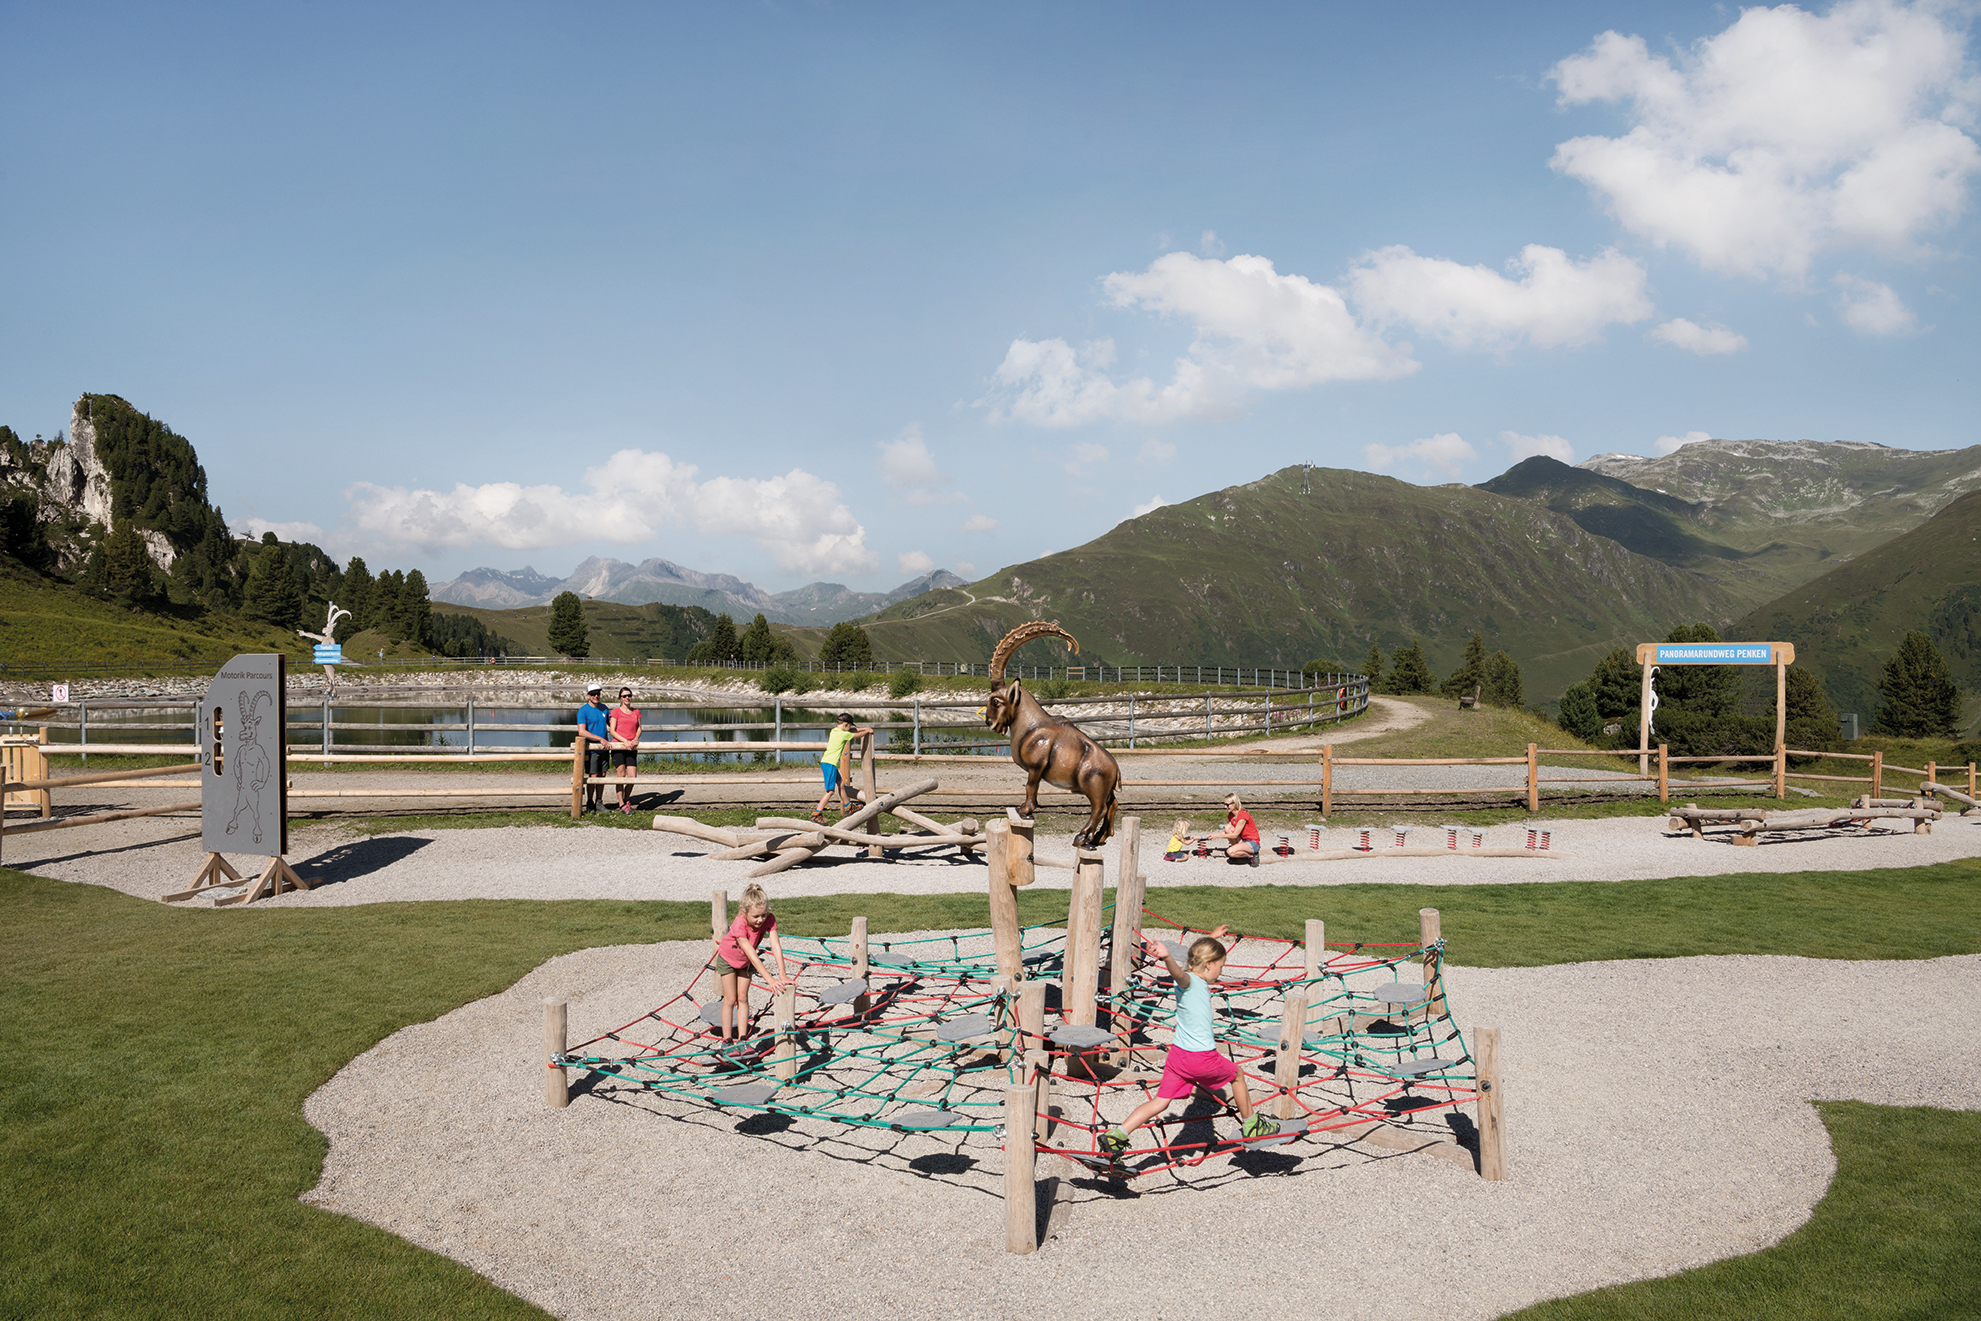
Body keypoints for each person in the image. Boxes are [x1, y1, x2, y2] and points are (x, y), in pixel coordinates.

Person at [1101, 926, 1278, 1155]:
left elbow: (1189, 962)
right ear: (1208, 965)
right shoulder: (1189, 982)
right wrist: (1166, 958)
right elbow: (1179, 973)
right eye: (1220, 967)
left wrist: (1211, 939)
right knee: (1237, 1075)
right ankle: (1252, 1125)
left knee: (1160, 1102)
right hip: (1200, 1057)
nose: (1221, 972)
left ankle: (1117, 1135)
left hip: (1178, 1057)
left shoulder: (1191, 973)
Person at [710, 883, 796, 1042]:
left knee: (742, 997)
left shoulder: (769, 919)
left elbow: (776, 946)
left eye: (763, 915)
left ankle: (743, 1039)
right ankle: (727, 1040)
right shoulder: (739, 923)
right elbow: (752, 954)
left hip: (745, 962)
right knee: (730, 998)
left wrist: (782, 973)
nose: (760, 920)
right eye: (756, 916)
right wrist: (770, 980)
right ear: (744, 912)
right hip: (728, 959)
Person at [812, 712, 873, 823]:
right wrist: (867, 731)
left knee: (841, 785)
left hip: (827, 762)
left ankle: (849, 807)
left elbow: (852, 731)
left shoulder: (835, 731)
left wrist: (865, 728)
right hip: (830, 764)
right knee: (830, 791)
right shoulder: (844, 734)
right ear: (845, 724)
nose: (850, 728)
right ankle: (816, 814)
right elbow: (857, 735)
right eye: (850, 725)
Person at [574, 681, 612, 813]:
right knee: (593, 775)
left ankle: (599, 801)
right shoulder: (583, 711)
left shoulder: (604, 708)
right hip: (592, 748)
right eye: (593, 694)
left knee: (602, 774)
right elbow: (582, 731)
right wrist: (600, 739)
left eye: (598, 694)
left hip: (604, 747)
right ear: (588, 696)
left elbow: (612, 725)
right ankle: (589, 802)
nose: (596, 696)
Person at [608, 686, 642, 813]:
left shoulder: (636, 712)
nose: (627, 698)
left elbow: (639, 728)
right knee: (621, 775)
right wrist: (625, 741)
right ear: (620, 698)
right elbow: (612, 730)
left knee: (632, 777)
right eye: (624, 696)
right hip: (619, 746)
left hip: (631, 747)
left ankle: (626, 799)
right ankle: (621, 804)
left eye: (629, 695)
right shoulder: (616, 712)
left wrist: (635, 739)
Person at [1207, 792, 1260, 864]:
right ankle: (1237, 852)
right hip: (1242, 840)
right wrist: (1214, 834)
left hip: (1252, 842)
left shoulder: (1243, 816)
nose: (1225, 807)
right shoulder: (1231, 815)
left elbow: (1235, 835)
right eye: (1225, 804)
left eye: (1227, 805)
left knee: (1230, 852)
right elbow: (1227, 831)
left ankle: (1251, 855)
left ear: (1234, 804)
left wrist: (1218, 835)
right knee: (1227, 827)